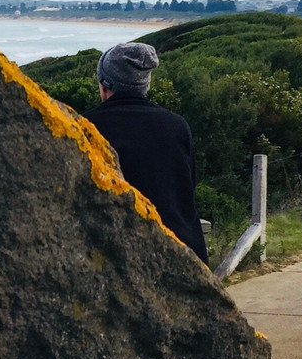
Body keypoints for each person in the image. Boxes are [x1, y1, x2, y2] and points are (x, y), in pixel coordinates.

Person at [82, 42, 209, 264]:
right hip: (185, 252)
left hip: (122, 257)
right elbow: (188, 186)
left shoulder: (88, 127)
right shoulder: (177, 125)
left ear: (104, 85)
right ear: (145, 86)